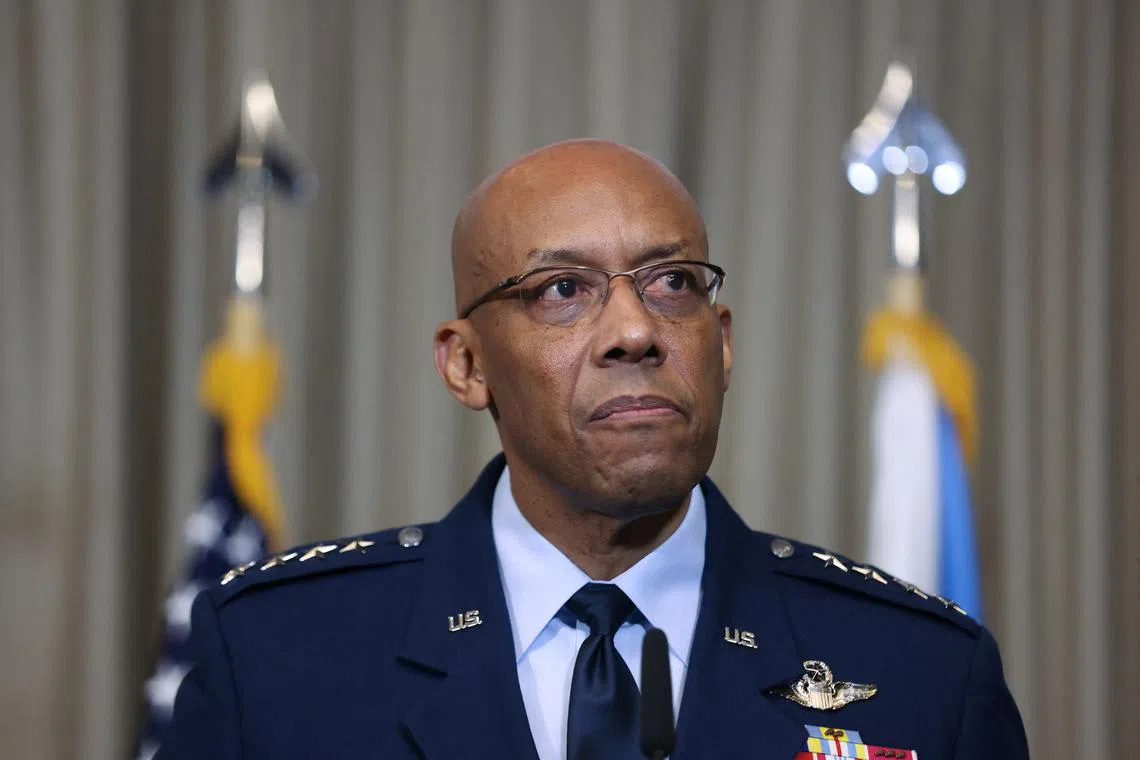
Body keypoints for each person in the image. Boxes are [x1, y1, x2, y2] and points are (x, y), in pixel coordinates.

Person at [157, 140, 1028, 760]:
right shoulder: (275, 655)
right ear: (466, 365)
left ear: (721, 346)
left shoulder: (925, 671)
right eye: (562, 290)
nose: (634, 331)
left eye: (672, 283)